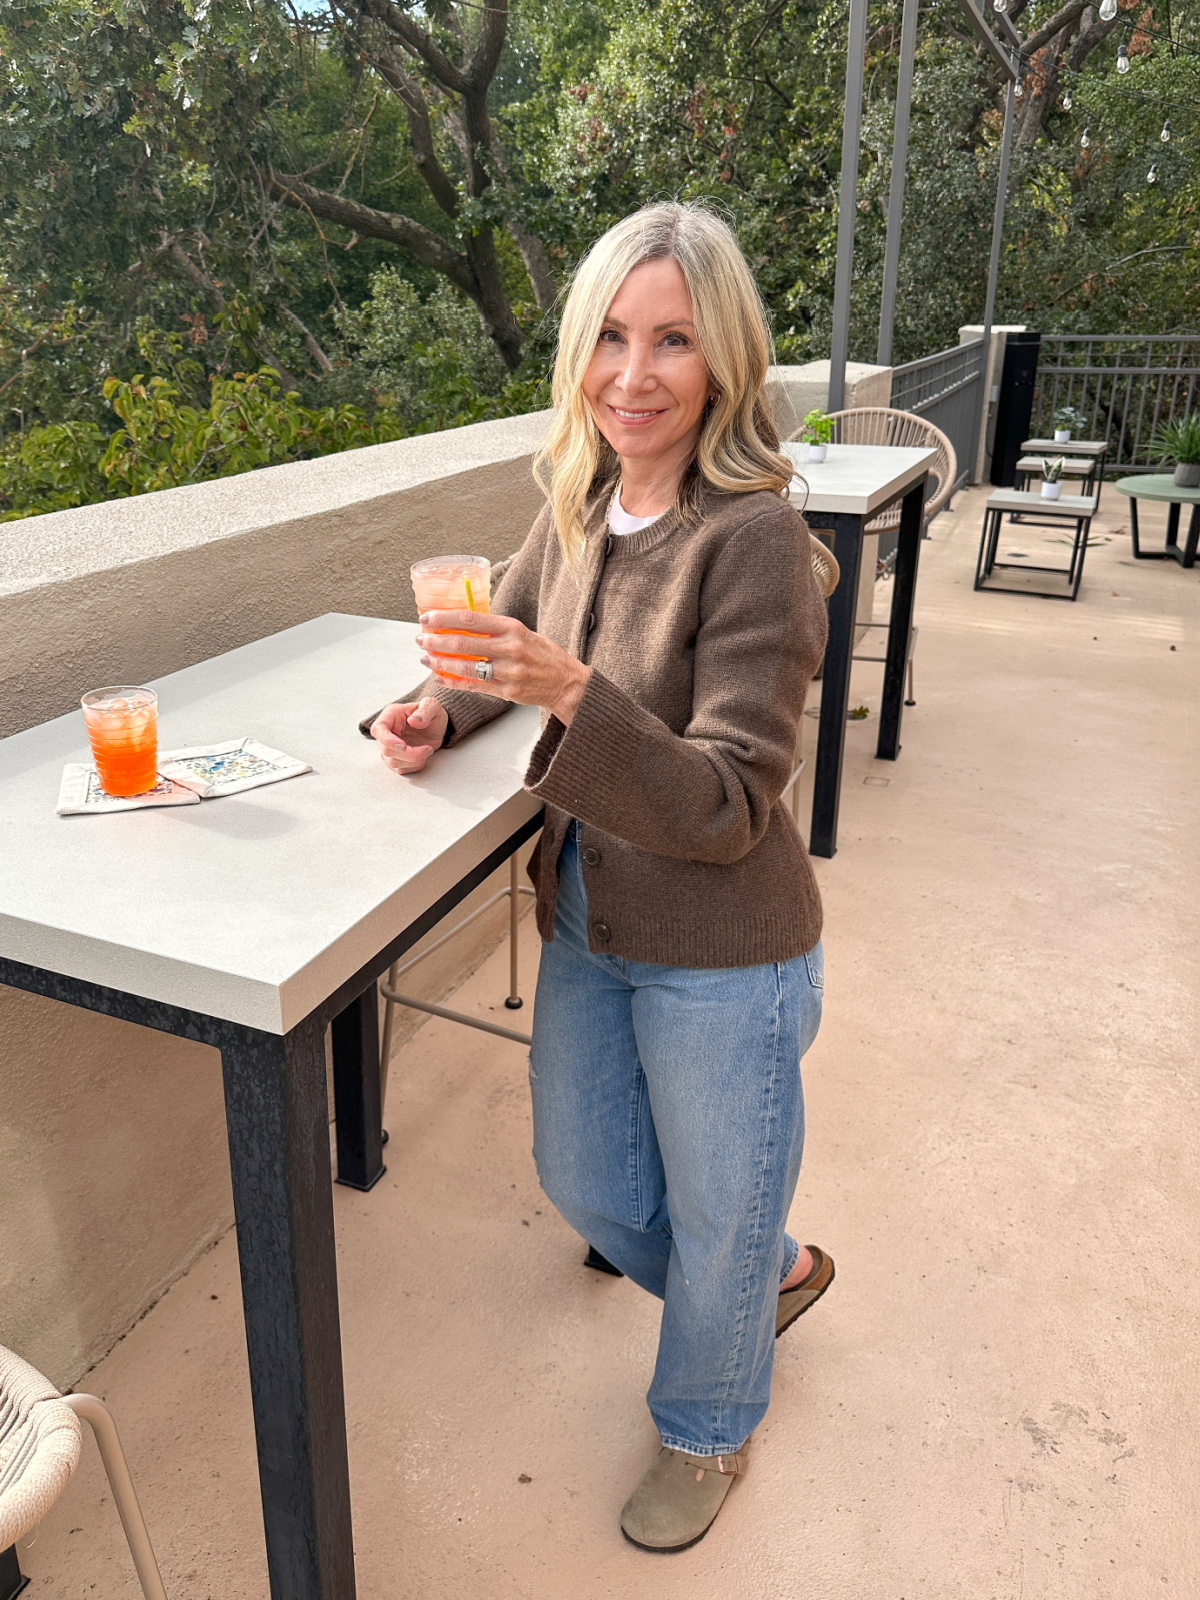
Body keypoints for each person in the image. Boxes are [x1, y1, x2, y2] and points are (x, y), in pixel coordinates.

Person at [370, 201, 833, 1552]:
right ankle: (772, 1275)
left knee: (713, 1206)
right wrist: (434, 711)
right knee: (593, 1189)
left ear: (725, 360)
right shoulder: (575, 497)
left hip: (728, 951)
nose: (635, 376)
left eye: (674, 340)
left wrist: (574, 694)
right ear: (579, 352)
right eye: (612, 339)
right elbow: (500, 639)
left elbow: (734, 802)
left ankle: (708, 1422)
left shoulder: (752, 540)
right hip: (588, 911)